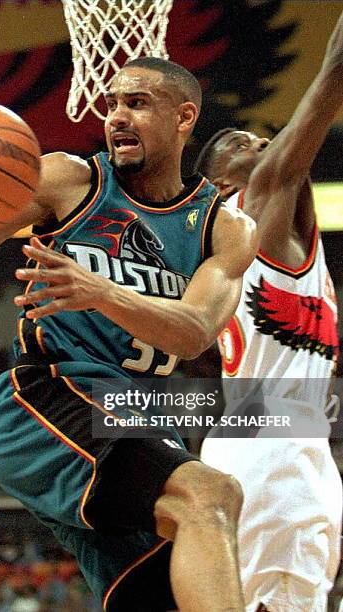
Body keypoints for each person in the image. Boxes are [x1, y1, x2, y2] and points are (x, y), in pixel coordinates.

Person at [0, 57, 258, 611]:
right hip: (45, 400)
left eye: (137, 104)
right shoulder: (70, 181)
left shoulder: (225, 227)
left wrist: (101, 292)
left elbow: (192, 334)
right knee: (211, 494)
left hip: (129, 413)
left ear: (185, 116)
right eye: (111, 104)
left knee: (162, 585)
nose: (117, 116)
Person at [196, 11, 343, 612]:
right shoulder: (248, 214)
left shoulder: (284, 244)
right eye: (238, 146)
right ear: (219, 186)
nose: (258, 144)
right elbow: (331, 79)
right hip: (269, 446)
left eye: (260, 138)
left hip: (291, 444)